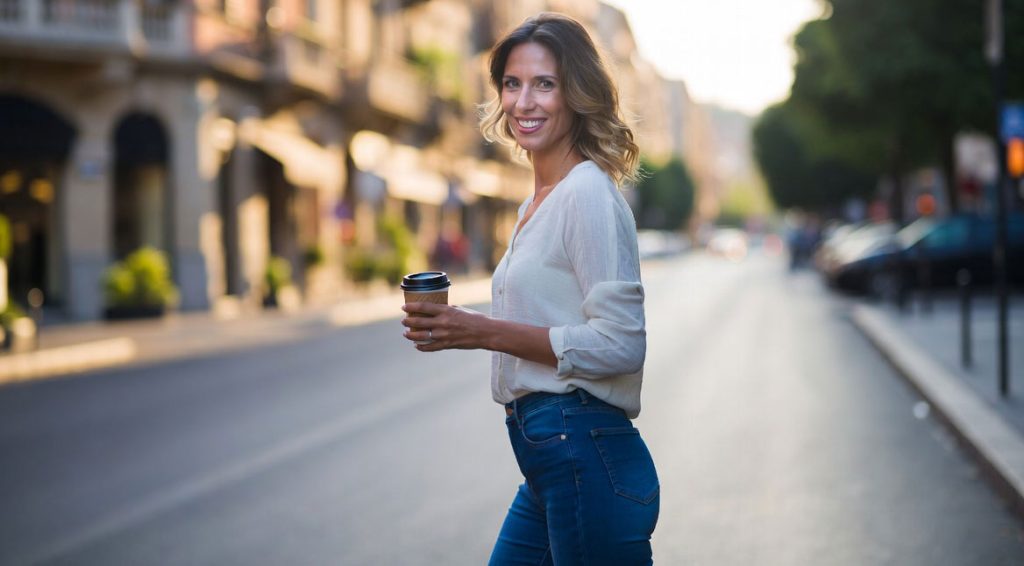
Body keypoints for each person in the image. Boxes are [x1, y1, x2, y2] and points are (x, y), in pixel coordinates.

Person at [401, 12, 659, 565]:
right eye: (512, 84)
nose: (524, 102)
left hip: (584, 453)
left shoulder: (587, 192)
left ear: (577, 94)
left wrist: (485, 332)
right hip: (549, 462)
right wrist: (461, 327)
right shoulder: (535, 204)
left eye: (545, 84)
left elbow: (622, 345)